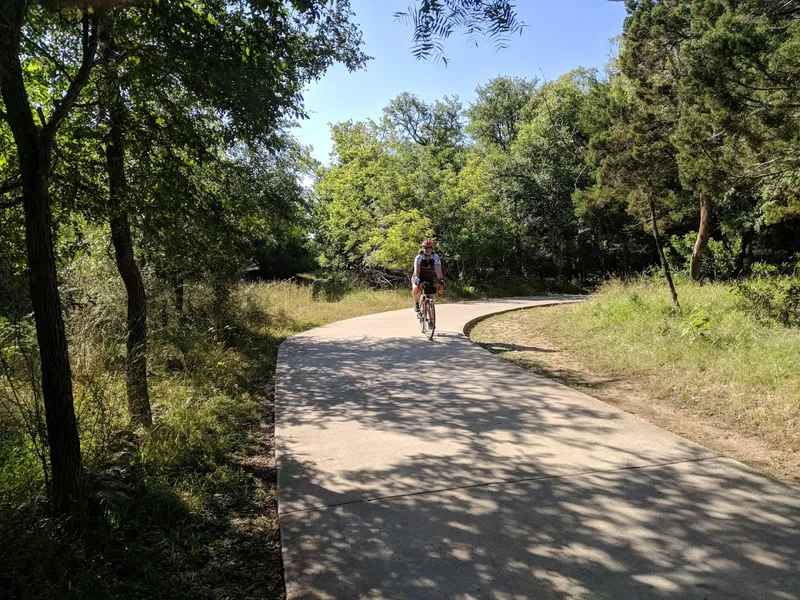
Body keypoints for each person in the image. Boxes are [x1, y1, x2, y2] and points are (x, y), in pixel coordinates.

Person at [412, 239, 444, 313]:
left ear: (432, 249)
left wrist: (440, 279)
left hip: (430, 276)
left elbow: (438, 269)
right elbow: (417, 270)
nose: (427, 250)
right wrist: (417, 280)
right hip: (419, 276)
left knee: (431, 292)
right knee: (416, 288)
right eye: (425, 248)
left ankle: (429, 310)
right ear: (422, 249)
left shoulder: (435, 257)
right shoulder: (419, 257)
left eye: (429, 248)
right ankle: (416, 304)